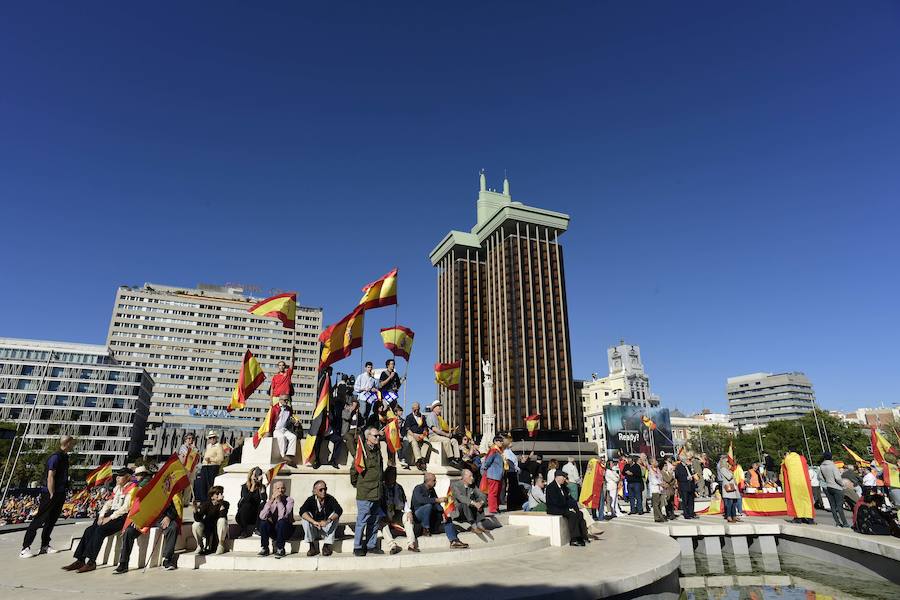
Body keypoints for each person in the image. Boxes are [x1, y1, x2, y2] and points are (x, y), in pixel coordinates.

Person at [63, 467, 135, 572]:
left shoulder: (132, 489)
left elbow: (125, 508)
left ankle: (91, 562)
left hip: (121, 517)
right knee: (89, 530)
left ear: (128, 477)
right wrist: (101, 515)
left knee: (100, 531)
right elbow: (109, 503)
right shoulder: (117, 488)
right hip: (112, 514)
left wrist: (109, 518)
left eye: (121, 476)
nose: (118, 478)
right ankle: (80, 560)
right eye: (117, 476)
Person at [113, 466, 182, 573]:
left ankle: (167, 559)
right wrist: (136, 519)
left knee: (172, 527)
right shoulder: (137, 490)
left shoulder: (162, 490)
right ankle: (123, 563)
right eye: (138, 476)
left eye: (143, 476)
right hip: (143, 518)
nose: (143, 479)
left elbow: (172, 507)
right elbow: (134, 508)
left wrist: (168, 517)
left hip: (159, 517)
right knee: (129, 532)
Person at [20, 435, 74, 558]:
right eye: (72, 443)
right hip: (51, 493)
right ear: (67, 443)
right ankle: (25, 548)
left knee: (51, 520)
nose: (73, 446)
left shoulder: (65, 457)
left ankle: (44, 546)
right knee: (39, 519)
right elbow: (50, 476)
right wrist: (51, 493)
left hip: (60, 492)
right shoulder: (56, 457)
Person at [411, 472, 469, 549]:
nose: (436, 482)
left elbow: (437, 504)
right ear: (428, 481)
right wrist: (437, 500)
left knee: (447, 518)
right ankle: (425, 528)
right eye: (434, 480)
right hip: (419, 515)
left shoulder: (432, 490)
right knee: (428, 506)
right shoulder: (418, 488)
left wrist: (442, 513)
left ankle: (454, 541)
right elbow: (421, 500)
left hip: (431, 518)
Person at [350, 427, 384, 556]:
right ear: (368, 437)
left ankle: (371, 545)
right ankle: (357, 546)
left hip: (377, 491)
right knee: (362, 521)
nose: (377, 438)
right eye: (375, 436)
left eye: (378, 436)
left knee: (374, 521)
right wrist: (357, 484)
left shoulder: (377, 451)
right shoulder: (362, 451)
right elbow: (354, 470)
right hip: (365, 492)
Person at [546, 470, 590, 546]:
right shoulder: (551, 487)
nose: (564, 479)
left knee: (579, 513)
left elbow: (568, 498)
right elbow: (556, 502)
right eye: (563, 477)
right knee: (572, 515)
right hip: (554, 509)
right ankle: (574, 539)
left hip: (562, 507)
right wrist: (569, 508)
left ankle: (582, 536)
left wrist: (575, 505)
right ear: (557, 477)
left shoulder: (563, 487)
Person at [299, 480, 342, 557]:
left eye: (325, 489)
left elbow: (339, 510)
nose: (323, 491)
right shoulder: (311, 499)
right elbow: (302, 511)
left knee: (335, 516)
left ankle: (326, 546)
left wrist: (328, 521)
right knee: (305, 517)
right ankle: (311, 546)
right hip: (314, 529)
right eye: (320, 490)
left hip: (326, 529)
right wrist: (314, 522)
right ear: (315, 491)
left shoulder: (330, 499)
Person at [380, 466, 416, 554]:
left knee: (407, 518)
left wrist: (408, 512)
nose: (393, 477)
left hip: (396, 513)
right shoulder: (381, 487)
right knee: (381, 523)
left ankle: (411, 544)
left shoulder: (399, 487)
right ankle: (393, 545)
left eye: (395, 475)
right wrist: (383, 515)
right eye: (391, 475)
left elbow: (404, 501)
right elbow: (378, 504)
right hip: (385, 514)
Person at [258, 481, 294, 558]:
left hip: (285, 529)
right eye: (278, 488)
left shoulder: (290, 500)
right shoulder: (270, 501)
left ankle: (280, 548)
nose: (280, 490)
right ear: (273, 490)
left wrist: (279, 501)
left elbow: (283, 516)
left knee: (282, 522)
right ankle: (265, 547)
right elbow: (262, 516)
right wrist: (271, 501)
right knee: (264, 522)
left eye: (282, 488)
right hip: (274, 529)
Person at [449, 468, 490, 533]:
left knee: (479, 500)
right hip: (459, 511)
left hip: (470, 510)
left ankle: (479, 524)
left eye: (472, 476)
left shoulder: (472, 485)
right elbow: (460, 497)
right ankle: (473, 525)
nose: (472, 478)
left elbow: (482, 495)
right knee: (465, 502)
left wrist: (481, 502)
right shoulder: (455, 485)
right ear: (464, 477)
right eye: (470, 476)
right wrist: (473, 503)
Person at [193, 485, 229, 555]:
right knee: (195, 525)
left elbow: (222, 515)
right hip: (208, 527)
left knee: (222, 520)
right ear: (212, 496)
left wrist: (221, 503)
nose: (220, 495)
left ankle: (221, 544)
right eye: (217, 494)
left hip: (219, 527)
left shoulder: (225, 504)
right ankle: (200, 545)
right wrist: (195, 510)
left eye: (221, 493)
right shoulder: (206, 504)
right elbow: (198, 519)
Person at [782, 451, 816, 525]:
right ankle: (810, 519)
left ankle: (798, 518)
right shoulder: (802, 459)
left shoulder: (788, 459)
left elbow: (784, 468)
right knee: (806, 501)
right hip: (804, 484)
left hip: (793, 484)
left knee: (796, 501)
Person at [426, 401, 462, 466]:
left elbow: (441, 430)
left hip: (439, 436)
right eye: (438, 406)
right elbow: (434, 429)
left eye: (440, 406)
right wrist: (446, 435)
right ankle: (450, 459)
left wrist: (449, 433)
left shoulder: (438, 417)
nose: (440, 408)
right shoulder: (430, 416)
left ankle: (457, 459)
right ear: (434, 408)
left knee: (454, 441)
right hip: (433, 436)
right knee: (447, 440)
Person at [820, 452, 849, 528]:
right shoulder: (833, 466)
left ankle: (837, 523)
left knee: (832, 506)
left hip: (828, 487)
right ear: (831, 457)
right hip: (836, 487)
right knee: (839, 506)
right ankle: (845, 523)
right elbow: (838, 478)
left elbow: (821, 477)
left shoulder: (822, 466)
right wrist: (843, 484)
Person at [194, 431, 224, 504]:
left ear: (216, 438)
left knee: (210, 484)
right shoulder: (208, 446)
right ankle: (204, 501)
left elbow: (221, 458)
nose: (212, 439)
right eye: (210, 438)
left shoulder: (219, 446)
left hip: (213, 467)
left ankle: (210, 500)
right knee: (203, 484)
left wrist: (211, 459)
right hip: (205, 466)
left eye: (213, 437)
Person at [236, 468, 267, 537]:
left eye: (258, 474)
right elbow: (246, 499)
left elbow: (264, 499)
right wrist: (253, 486)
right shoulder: (245, 486)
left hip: (256, 514)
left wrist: (261, 486)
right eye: (254, 474)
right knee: (246, 505)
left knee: (263, 504)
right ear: (250, 475)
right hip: (244, 514)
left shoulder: (262, 487)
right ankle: (244, 530)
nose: (255, 476)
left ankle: (258, 528)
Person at [481, 435, 506, 514]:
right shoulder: (493, 450)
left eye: (502, 441)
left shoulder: (499, 451)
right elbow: (487, 461)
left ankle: (496, 507)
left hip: (498, 475)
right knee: (493, 492)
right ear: (495, 442)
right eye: (499, 441)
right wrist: (486, 468)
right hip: (493, 475)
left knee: (497, 492)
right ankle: (492, 509)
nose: (501, 442)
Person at [404, 402, 432, 470]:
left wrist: (424, 432)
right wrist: (414, 435)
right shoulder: (409, 417)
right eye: (415, 409)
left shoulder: (422, 417)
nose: (416, 411)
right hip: (412, 434)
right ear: (412, 409)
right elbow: (407, 429)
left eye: (418, 409)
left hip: (421, 434)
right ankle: (418, 459)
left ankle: (422, 458)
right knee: (414, 443)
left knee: (427, 443)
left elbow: (425, 426)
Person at [272, 395, 298, 464]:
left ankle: (289, 454)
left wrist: (295, 422)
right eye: (285, 400)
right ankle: (283, 455)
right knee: (281, 437)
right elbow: (270, 420)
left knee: (293, 437)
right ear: (280, 400)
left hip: (285, 429)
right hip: (276, 429)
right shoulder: (274, 408)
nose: (286, 401)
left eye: (287, 400)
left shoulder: (289, 409)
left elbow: (291, 418)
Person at [718, 455, 740, 523]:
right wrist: (732, 472)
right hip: (728, 487)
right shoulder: (723, 469)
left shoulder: (727, 469)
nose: (728, 463)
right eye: (727, 461)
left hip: (732, 487)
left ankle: (734, 516)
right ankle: (729, 516)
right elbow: (729, 477)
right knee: (729, 503)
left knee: (734, 502)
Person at [675, 453, 697, 519]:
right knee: (685, 501)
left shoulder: (688, 466)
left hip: (690, 486)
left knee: (691, 500)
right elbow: (678, 476)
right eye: (685, 459)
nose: (687, 460)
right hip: (684, 486)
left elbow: (691, 473)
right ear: (682, 460)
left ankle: (691, 513)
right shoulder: (679, 466)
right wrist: (686, 478)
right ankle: (686, 514)